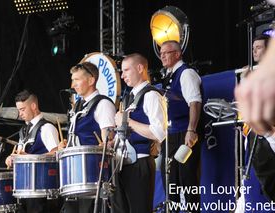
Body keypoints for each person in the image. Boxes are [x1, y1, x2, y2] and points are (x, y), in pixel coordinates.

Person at [111, 53, 167, 213]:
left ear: (140, 68)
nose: (122, 76)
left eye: (126, 70)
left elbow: (159, 133)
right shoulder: (130, 98)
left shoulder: (151, 95)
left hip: (139, 162)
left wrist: (127, 121)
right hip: (123, 164)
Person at [61, 62, 116, 213]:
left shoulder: (103, 104)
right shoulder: (78, 105)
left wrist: (105, 144)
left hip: (92, 176)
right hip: (74, 175)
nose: (73, 84)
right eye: (73, 80)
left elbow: (108, 141)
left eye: (77, 79)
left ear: (91, 81)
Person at [159, 40, 202, 211]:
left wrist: (191, 130)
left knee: (187, 180)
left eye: (166, 52)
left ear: (177, 54)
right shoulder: (168, 76)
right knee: (170, 181)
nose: (162, 56)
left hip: (184, 133)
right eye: (161, 53)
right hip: (170, 135)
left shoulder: (186, 73)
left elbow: (195, 102)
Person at [5, 90, 60, 213]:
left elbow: (56, 154)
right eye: (19, 110)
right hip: (25, 188)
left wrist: (29, 157)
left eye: (23, 109)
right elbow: (21, 154)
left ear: (33, 106)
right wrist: (12, 158)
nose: (20, 114)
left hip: (41, 188)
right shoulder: (24, 131)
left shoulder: (47, 128)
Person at [236, 36, 275, 202]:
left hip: (270, 133)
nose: (254, 51)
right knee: (260, 179)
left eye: (258, 47)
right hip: (254, 134)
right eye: (253, 48)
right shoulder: (249, 72)